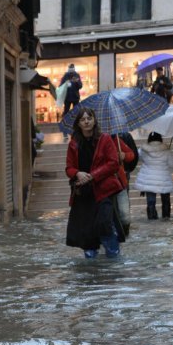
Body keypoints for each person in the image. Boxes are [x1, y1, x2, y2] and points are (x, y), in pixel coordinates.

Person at [64, 107, 124, 258]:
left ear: (94, 120)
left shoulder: (104, 139)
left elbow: (113, 163)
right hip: (83, 194)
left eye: (89, 118)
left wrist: (92, 175)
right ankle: (91, 261)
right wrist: (77, 173)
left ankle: (113, 255)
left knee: (104, 223)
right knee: (87, 229)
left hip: (103, 190)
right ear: (78, 123)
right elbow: (69, 168)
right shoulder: (74, 143)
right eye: (83, 119)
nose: (86, 122)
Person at [134, 132, 173, 220]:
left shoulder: (143, 150)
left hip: (148, 179)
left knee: (151, 202)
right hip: (163, 179)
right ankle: (166, 218)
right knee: (165, 201)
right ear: (160, 139)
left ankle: (152, 219)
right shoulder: (166, 150)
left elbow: (137, 158)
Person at [111, 132, 138, 236]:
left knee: (124, 212)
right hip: (104, 183)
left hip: (120, 181)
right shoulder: (95, 142)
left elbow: (131, 155)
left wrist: (124, 155)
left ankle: (124, 232)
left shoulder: (117, 139)